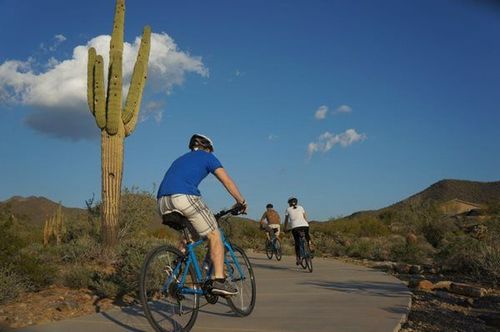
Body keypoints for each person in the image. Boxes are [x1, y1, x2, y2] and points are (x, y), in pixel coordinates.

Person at [157, 134, 247, 296]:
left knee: (191, 237)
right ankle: (219, 280)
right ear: (208, 148)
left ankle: (176, 269)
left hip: (162, 201)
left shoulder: (180, 159)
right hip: (184, 197)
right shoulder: (208, 157)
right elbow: (226, 181)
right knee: (214, 234)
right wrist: (241, 201)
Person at [283, 197, 311, 265]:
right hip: (305, 226)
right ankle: (310, 246)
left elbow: (286, 220)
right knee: (307, 237)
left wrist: (285, 228)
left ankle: (298, 258)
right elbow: (304, 217)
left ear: (289, 203)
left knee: (297, 242)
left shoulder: (288, 209)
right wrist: (307, 224)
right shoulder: (301, 207)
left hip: (295, 227)